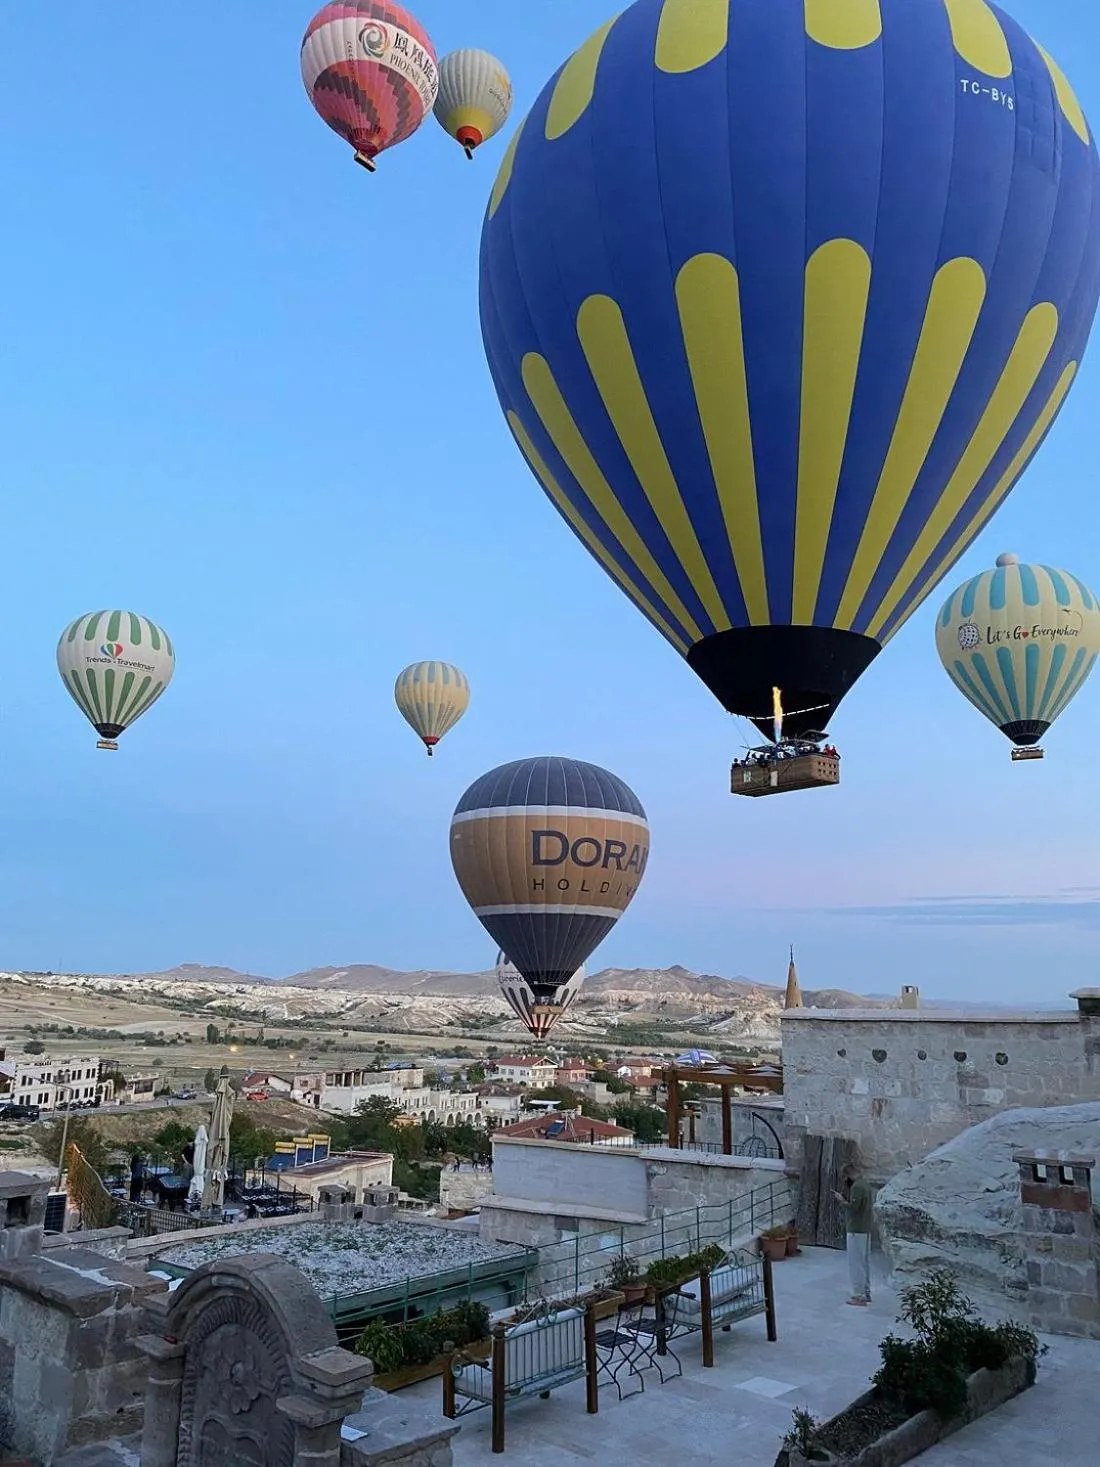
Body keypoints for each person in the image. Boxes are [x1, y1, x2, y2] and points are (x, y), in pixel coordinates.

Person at [834, 1165, 873, 1305]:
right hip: (866, 1228)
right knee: (864, 1262)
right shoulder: (865, 1184)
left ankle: (859, 1295)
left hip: (856, 1229)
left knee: (856, 1263)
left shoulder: (857, 1187)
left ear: (848, 1174)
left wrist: (841, 1200)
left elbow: (853, 1209)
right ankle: (866, 1292)